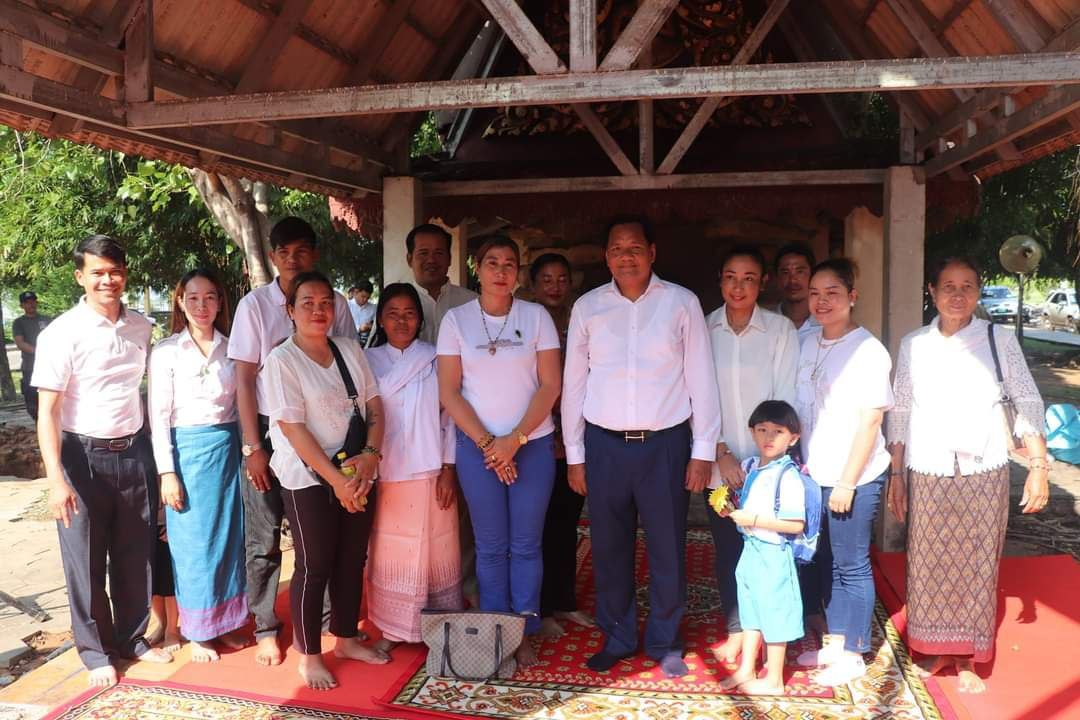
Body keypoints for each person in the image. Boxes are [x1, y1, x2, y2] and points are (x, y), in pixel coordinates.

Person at [562, 215, 721, 678]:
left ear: (652, 252)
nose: (626, 257)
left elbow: (700, 377)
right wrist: (575, 455)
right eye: (617, 249)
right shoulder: (588, 307)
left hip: (665, 444)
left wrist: (702, 449)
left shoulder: (681, 303)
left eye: (635, 248)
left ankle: (666, 641)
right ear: (606, 256)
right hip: (604, 445)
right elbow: (574, 384)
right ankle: (618, 636)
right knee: (609, 547)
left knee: (667, 546)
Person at [887, 257, 1049, 694]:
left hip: (984, 467)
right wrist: (897, 473)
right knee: (928, 561)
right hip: (929, 467)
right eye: (948, 286)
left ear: (978, 292)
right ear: (932, 291)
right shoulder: (914, 344)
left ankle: (967, 658)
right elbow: (900, 409)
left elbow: (1027, 400)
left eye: (967, 287)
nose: (957, 295)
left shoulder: (998, 339)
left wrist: (1038, 467)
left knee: (977, 561)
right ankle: (937, 648)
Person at [32, 235, 172, 688]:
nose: (107, 280)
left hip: (133, 451)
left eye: (115, 271)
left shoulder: (141, 327)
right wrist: (56, 479)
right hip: (81, 457)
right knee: (85, 560)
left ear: (124, 275)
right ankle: (96, 652)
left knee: (135, 554)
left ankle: (132, 639)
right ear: (81, 277)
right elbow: (48, 413)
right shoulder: (61, 333)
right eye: (97, 272)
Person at [227, 217, 355, 667]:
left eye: (302, 251)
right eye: (284, 252)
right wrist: (252, 446)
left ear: (314, 254)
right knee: (264, 535)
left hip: (326, 428)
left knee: (322, 537)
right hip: (269, 426)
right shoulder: (254, 305)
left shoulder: (335, 303)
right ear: (273, 257)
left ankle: (325, 624)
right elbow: (244, 379)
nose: (293, 259)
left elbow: (346, 364)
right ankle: (266, 627)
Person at [437, 235, 561, 669]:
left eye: (510, 263)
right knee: (490, 546)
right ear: (477, 267)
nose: (501, 271)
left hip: (532, 445)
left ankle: (522, 630)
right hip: (478, 450)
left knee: (526, 544)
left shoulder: (537, 316)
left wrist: (515, 440)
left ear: (518, 272)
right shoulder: (456, 320)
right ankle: (497, 631)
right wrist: (492, 445)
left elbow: (550, 385)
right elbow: (450, 392)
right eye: (493, 262)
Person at [263, 271, 389, 689]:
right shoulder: (282, 360)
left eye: (325, 303)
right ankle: (310, 655)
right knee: (315, 564)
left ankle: (347, 638)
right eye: (308, 303)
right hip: (307, 477)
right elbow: (293, 428)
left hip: (357, 470)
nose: (318, 311)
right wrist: (335, 480)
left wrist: (370, 457)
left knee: (352, 558)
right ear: (290, 310)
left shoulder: (349, 349)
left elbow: (374, 406)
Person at [792, 258, 892, 686]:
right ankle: (835, 642)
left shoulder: (868, 350)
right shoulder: (806, 341)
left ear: (852, 296)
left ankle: (855, 650)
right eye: (815, 293)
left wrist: (848, 482)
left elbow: (871, 422)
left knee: (851, 562)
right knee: (827, 559)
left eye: (832, 293)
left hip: (855, 475)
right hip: (816, 471)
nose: (822, 301)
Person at [149, 268, 250, 662]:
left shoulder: (232, 348)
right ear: (180, 301)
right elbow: (158, 417)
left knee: (228, 539)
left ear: (220, 302)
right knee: (194, 545)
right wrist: (167, 472)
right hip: (186, 455)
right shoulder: (167, 352)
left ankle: (226, 623)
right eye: (193, 298)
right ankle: (197, 631)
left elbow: (241, 408)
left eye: (210, 297)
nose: (202, 305)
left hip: (226, 452)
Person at [705, 245, 799, 664]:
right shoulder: (704, 328)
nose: (738, 287)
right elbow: (697, 396)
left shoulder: (780, 330)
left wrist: (767, 462)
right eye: (730, 277)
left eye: (748, 278)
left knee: (768, 551)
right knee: (729, 548)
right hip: (721, 461)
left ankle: (770, 633)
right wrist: (720, 452)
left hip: (768, 463)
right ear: (720, 281)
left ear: (763, 283)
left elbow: (784, 398)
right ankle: (737, 629)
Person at [365, 283, 463, 653]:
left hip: (430, 470)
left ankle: (439, 624)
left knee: (435, 546)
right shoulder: (366, 360)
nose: (401, 321)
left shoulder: (435, 358)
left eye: (409, 313)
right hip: (387, 469)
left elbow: (450, 418)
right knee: (392, 549)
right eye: (393, 313)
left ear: (420, 320)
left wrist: (448, 468)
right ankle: (393, 628)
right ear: (381, 319)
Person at [405, 223, 479, 606]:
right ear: (409, 259)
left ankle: (464, 586)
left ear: (450, 258)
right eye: (423, 253)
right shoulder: (398, 303)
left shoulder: (472, 303)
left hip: (463, 421)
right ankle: (418, 590)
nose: (431, 260)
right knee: (417, 513)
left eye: (438, 253)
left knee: (462, 509)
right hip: (411, 429)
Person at [718, 401, 806, 695]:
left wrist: (754, 520)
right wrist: (729, 509)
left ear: (793, 438)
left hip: (773, 552)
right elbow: (742, 501)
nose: (769, 437)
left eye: (778, 432)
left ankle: (775, 679)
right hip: (751, 548)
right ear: (752, 432)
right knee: (750, 607)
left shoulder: (787, 475)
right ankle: (747, 668)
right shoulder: (750, 466)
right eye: (762, 429)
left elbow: (796, 524)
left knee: (774, 611)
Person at [530, 253, 595, 640]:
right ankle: (541, 608)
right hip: (534, 438)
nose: (554, 286)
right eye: (547, 279)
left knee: (566, 524)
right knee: (536, 527)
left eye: (561, 279)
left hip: (573, 441)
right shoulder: (525, 323)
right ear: (533, 285)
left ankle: (565, 601)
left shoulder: (579, 323)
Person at [12, 291, 50, 420]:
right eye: (27, 302)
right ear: (21, 306)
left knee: (53, 400)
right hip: (30, 367)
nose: (31, 304)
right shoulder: (19, 322)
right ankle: (39, 426)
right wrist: (40, 352)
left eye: (33, 301)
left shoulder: (47, 320)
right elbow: (20, 343)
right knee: (33, 405)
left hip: (50, 367)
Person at [774, 244, 820, 341]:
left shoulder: (826, 325)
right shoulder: (766, 323)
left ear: (813, 276)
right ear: (777, 279)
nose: (792, 280)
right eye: (785, 272)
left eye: (800, 272)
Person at [349, 281, 377, 346]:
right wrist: (359, 328)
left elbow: (377, 326)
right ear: (355, 292)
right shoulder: (346, 306)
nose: (365, 300)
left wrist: (371, 326)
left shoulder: (373, 308)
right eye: (363, 296)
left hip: (366, 345)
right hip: (348, 344)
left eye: (368, 298)